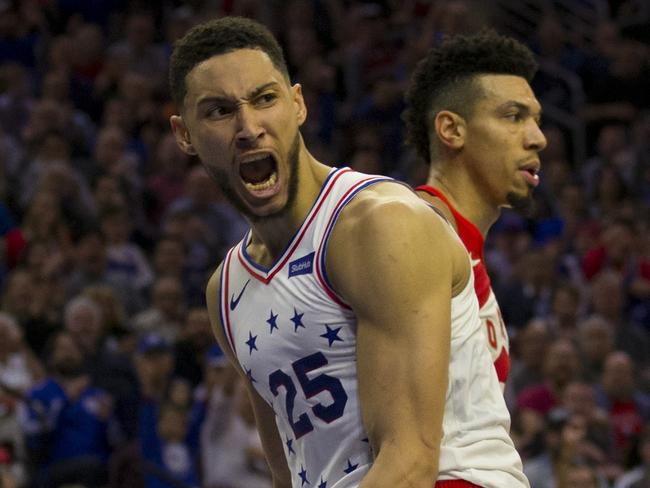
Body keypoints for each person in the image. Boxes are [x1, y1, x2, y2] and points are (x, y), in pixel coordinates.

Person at [169, 16, 528, 488]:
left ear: (297, 104)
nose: (248, 127)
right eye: (218, 111)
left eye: (264, 99)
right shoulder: (226, 291)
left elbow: (411, 462)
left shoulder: (378, 224)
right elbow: (289, 476)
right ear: (185, 134)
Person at [403, 30, 548, 388]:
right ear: (452, 130)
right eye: (514, 116)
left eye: (536, 120)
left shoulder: (461, 247)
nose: (538, 138)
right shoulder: (415, 236)